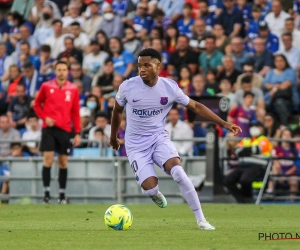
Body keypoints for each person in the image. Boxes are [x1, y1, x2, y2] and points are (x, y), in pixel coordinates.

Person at [109, 48, 241, 230]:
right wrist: (114, 136)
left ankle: (201, 220)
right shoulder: (127, 86)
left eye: (147, 65)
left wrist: (223, 123)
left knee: (178, 172)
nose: (142, 69)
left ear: (158, 66)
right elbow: (116, 111)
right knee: (151, 188)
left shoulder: (169, 87)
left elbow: (195, 106)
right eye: (140, 66)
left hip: (158, 139)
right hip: (136, 146)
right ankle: (153, 193)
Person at [33, 61, 81, 204]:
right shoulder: (46, 86)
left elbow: (75, 113)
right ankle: (46, 194)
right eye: (59, 69)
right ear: (55, 71)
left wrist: (77, 132)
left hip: (65, 129)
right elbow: (36, 104)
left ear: (68, 72)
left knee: (63, 161)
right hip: (48, 129)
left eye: (64, 69)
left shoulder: (73, 89)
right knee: (48, 159)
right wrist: (44, 118)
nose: (61, 72)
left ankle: (61, 195)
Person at [224, 121, 272, 203]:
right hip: (242, 166)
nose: (254, 128)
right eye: (252, 126)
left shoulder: (265, 140)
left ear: (261, 129)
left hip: (257, 167)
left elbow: (258, 149)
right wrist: (251, 150)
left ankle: (248, 199)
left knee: (245, 180)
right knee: (227, 180)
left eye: (256, 126)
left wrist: (246, 150)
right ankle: (241, 200)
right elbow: (238, 151)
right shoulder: (246, 140)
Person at [262, 54, 298, 126]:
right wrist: (277, 86)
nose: (279, 63)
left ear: (285, 61)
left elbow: (286, 85)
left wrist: (274, 88)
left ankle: (285, 125)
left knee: (279, 102)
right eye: (277, 61)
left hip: (287, 98)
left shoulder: (290, 71)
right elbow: (266, 85)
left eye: (281, 61)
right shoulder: (270, 72)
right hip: (270, 98)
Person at [266, 129, 299, 201]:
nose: (287, 137)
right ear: (281, 136)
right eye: (285, 135)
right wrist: (281, 175)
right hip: (279, 172)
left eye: (289, 135)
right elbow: (275, 162)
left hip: (290, 173)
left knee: (294, 181)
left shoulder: (294, 150)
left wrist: (285, 176)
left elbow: (295, 165)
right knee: (275, 168)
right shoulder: (276, 148)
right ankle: (270, 192)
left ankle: (291, 201)